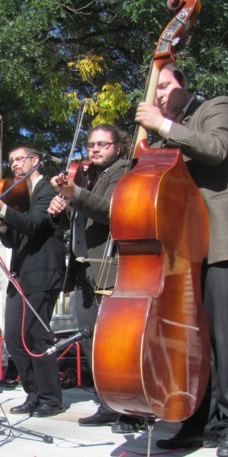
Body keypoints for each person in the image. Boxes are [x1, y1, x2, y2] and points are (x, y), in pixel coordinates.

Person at [134, 62, 228, 457]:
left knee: (227, 338)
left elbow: (215, 148)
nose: (158, 95)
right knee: (193, 342)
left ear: (183, 85)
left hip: (226, 241)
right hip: (186, 250)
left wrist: (162, 125)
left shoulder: (217, 107)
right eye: (153, 90)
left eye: (164, 86)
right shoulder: (165, 136)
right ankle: (196, 424)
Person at [48, 124, 146, 434]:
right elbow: (71, 221)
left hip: (110, 265)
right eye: (91, 144)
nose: (95, 149)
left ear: (119, 146)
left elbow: (111, 211)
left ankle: (134, 408)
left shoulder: (124, 172)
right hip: (82, 267)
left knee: (119, 341)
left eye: (103, 144)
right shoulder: (87, 176)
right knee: (91, 339)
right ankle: (108, 401)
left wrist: (74, 193)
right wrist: (58, 210)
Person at [0, 146, 66, 417]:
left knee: (37, 336)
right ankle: (33, 393)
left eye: (19, 159)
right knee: (14, 337)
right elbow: (12, 240)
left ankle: (51, 398)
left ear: (35, 160)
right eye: (11, 161)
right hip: (20, 274)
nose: (14, 165)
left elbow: (33, 225)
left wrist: (2, 207)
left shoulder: (47, 191)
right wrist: (2, 223)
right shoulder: (22, 197)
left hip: (43, 272)